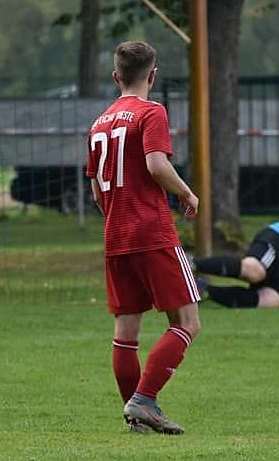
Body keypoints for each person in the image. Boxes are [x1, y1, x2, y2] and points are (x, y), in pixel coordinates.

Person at [86, 40, 201, 434]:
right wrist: (186, 193)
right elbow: (156, 164)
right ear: (153, 76)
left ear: (115, 76)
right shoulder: (152, 112)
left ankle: (137, 418)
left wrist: (118, 214)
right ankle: (144, 400)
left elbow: (96, 192)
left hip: (115, 237)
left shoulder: (99, 123)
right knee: (188, 321)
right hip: (152, 232)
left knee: (126, 332)